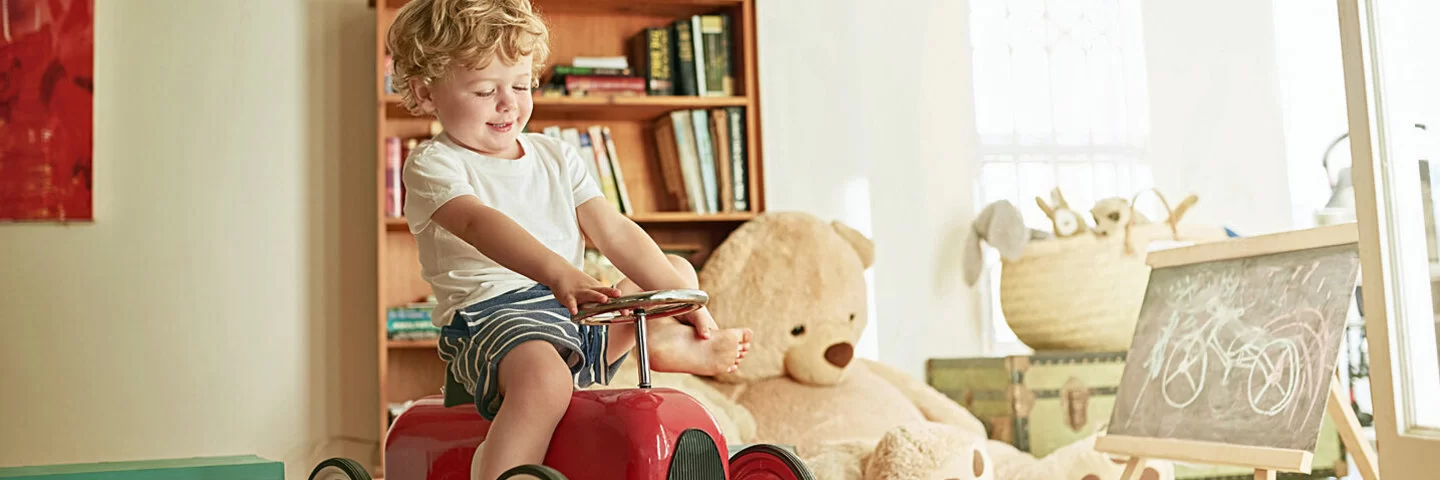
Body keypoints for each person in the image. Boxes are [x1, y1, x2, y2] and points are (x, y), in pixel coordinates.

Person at [386, 0, 752, 478]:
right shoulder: (435, 163)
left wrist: (690, 305)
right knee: (543, 379)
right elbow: (479, 224)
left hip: (576, 314)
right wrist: (559, 273)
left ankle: (665, 341)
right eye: (484, 90)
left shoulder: (556, 155)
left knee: (675, 270)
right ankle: (502, 470)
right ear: (426, 93)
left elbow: (614, 229)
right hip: (493, 320)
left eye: (521, 85)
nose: (508, 103)